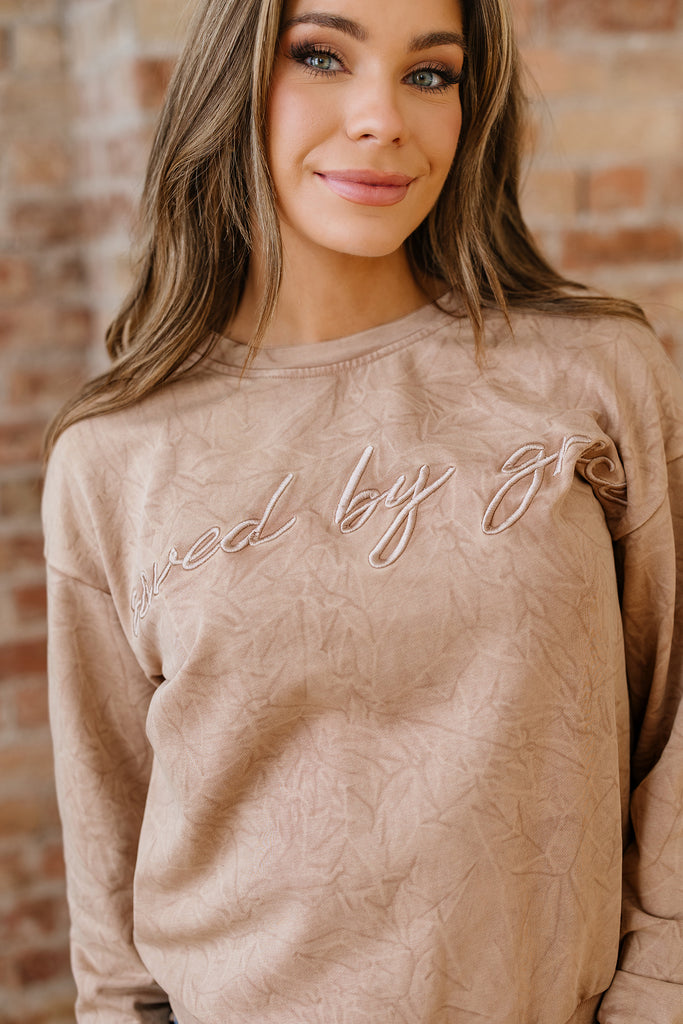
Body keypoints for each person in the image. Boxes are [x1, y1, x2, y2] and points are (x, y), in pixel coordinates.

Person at [41, 0, 683, 1020]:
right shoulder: (114, 457)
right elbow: (111, 887)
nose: (382, 117)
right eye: (321, 56)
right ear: (234, 79)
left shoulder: (594, 376)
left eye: (430, 74)